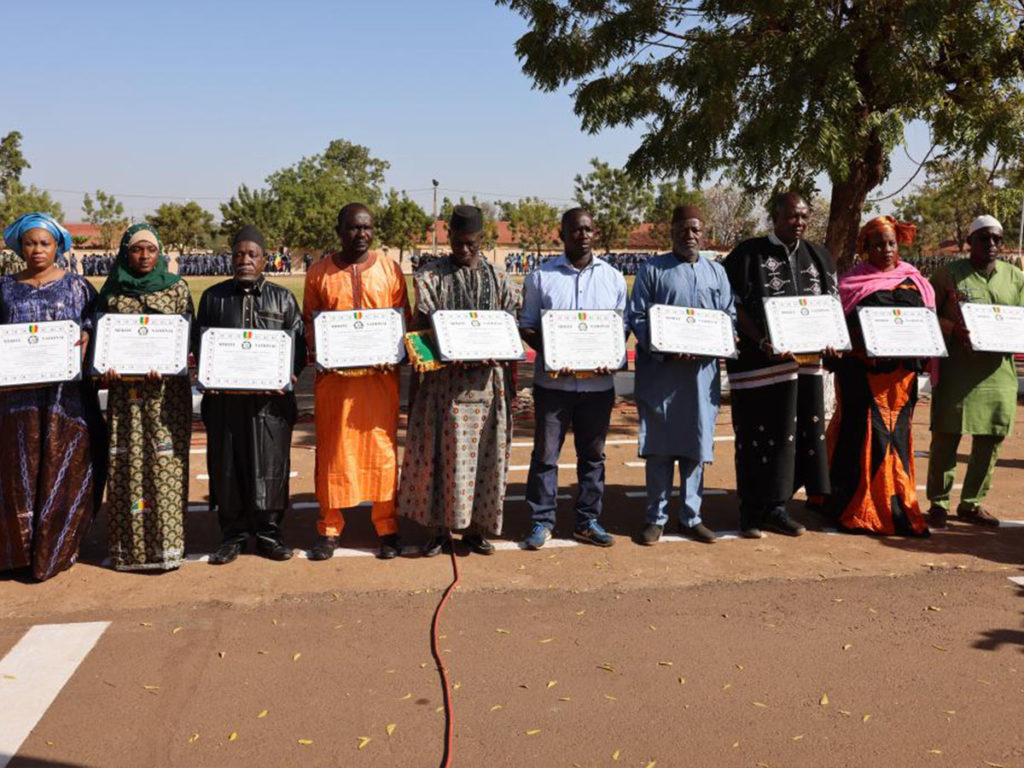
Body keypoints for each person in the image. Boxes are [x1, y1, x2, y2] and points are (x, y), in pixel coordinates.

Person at [398, 205, 521, 556]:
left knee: (487, 457)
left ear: (482, 239)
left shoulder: (499, 279)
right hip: (442, 388)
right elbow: (421, 331)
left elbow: (510, 326)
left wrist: (498, 350)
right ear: (448, 236)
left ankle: (477, 530)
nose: (463, 249)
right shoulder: (430, 277)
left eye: (470, 243)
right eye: (457, 241)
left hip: (488, 386)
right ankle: (438, 531)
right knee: (439, 458)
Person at [723, 193, 839, 538]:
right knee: (757, 438)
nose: (799, 223)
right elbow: (733, 305)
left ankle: (778, 508)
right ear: (775, 217)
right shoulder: (747, 253)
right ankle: (750, 511)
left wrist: (832, 339)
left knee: (794, 439)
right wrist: (761, 340)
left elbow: (831, 307)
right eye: (792, 216)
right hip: (759, 367)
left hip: (803, 369)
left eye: (804, 217)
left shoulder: (819, 255)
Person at [0, 213, 106, 581]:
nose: (37, 250)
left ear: (58, 246)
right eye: (30, 243)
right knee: (19, 473)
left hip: (67, 401)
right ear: (19, 246)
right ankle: (19, 552)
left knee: (65, 469)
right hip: (17, 403)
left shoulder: (77, 287)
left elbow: (96, 326)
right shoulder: (5, 288)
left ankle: (57, 548)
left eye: (45, 243)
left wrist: (89, 340)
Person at [303, 204, 410, 560]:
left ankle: (387, 527)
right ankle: (329, 529)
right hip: (335, 384)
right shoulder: (319, 272)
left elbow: (402, 322)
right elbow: (309, 323)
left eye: (366, 228)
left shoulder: (389, 269)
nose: (360, 234)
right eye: (353, 228)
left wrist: (393, 351)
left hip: (379, 383)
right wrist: (323, 349)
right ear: (339, 230)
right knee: (333, 453)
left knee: (381, 452)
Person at [197, 225, 306, 564]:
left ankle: (269, 532)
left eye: (252, 254)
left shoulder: (283, 298)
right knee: (228, 465)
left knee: (270, 465)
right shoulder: (214, 297)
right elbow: (201, 344)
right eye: (238, 254)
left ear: (264, 260)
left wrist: (289, 372)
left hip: (269, 403)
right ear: (231, 259)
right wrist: (208, 372)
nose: (245, 260)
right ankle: (232, 534)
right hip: (225, 401)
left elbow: (298, 346)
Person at [628, 205, 736, 545]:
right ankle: (655, 518)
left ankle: (692, 516)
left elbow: (728, 314)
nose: (690, 235)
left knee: (695, 448)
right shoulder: (652, 269)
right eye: (683, 229)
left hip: (701, 377)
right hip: (663, 375)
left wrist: (724, 337)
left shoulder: (716, 272)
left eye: (695, 230)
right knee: (659, 448)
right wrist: (663, 346)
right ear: (672, 231)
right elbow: (638, 317)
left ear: (702, 233)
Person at [519, 208, 626, 550]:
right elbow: (528, 326)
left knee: (593, 456)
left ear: (595, 233)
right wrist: (555, 351)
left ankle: (587, 520)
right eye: (575, 230)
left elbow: (619, 329)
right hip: (554, 385)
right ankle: (541, 520)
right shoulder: (540, 278)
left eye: (588, 229)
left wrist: (607, 356)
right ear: (561, 234)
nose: (583, 235)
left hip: (597, 387)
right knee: (546, 456)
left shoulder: (613, 278)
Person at [825, 216, 933, 536]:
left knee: (896, 440)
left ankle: (897, 506)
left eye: (890, 244)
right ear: (865, 249)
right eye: (877, 244)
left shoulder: (915, 281)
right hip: (863, 378)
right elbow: (839, 331)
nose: (885, 250)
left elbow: (927, 327)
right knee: (863, 438)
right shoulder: (849, 284)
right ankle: (856, 509)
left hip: (901, 382)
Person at [98, 224, 194, 571]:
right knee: (126, 465)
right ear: (125, 252)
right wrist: (105, 369)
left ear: (160, 254)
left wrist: (171, 362)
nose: (143, 256)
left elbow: (187, 339)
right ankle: (130, 550)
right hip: (126, 399)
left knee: (166, 466)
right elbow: (101, 344)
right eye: (137, 249)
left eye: (150, 250)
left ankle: (168, 547)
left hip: (167, 398)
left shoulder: (177, 290)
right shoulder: (111, 294)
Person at [925, 215, 1024, 527]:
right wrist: (953, 329)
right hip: (957, 369)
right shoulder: (948, 274)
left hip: (999, 372)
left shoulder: (1015, 276)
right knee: (946, 435)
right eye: (984, 238)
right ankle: (938, 504)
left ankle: (971, 503)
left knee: (990, 438)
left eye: (997, 239)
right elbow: (926, 313)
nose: (992, 245)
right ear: (970, 242)